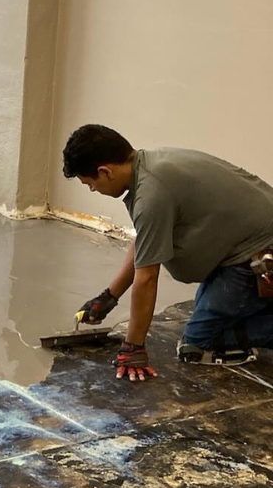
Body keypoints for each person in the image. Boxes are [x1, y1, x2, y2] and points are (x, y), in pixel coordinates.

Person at [62, 125, 273, 381]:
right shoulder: (152, 165)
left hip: (258, 254)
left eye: (90, 184)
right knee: (213, 312)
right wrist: (109, 297)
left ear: (104, 171)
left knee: (198, 343)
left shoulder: (152, 194)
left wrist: (133, 347)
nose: (93, 190)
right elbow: (146, 242)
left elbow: (147, 277)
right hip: (245, 248)